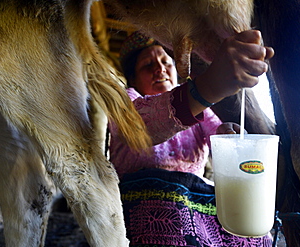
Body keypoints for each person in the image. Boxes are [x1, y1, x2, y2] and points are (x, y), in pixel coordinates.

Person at [108, 31, 274, 247]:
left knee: (251, 233)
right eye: (148, 65)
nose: (159, 69)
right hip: (147, 200)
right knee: (168, 223)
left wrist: (227, 135)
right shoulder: (128, 100)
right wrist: (206, 89)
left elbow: (218, 133)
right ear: (133, 79)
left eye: (166, 62)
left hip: (194, 198)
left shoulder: (201, 111)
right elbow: (136, 127)